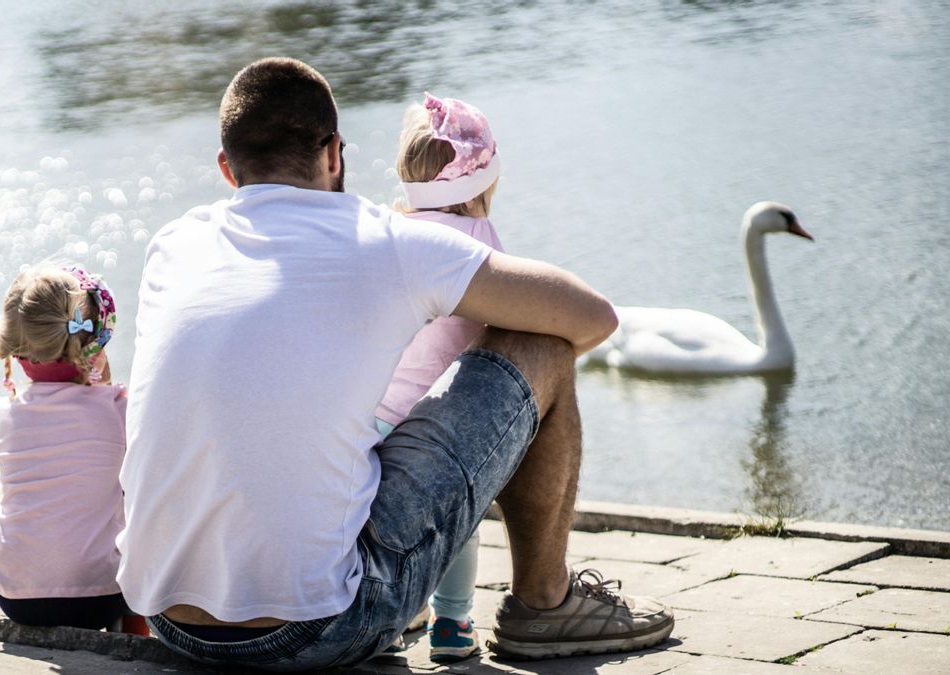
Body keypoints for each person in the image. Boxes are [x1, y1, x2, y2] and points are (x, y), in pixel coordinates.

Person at [118, 57, 674, 670]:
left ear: (227, 169)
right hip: (319, 628)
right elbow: (592, 316)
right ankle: (545, 605)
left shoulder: (173, 246)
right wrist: (514, 404)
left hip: (169, 621)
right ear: (333, 152)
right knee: (543, 342)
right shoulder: (386, 240)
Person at [373, 92, 506, 662]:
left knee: (379, 520)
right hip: (424, 417)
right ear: (483, 185)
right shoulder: (479, 244)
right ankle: (452, 624)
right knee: (458, 516)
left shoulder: (384, 234)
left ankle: (397, 615)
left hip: (363, 417)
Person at [0, 264, 146, 635]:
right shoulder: (118, 408)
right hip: (99, 598)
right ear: (96, 343)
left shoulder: (5, 413)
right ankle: (135, 635)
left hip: (14, 595)